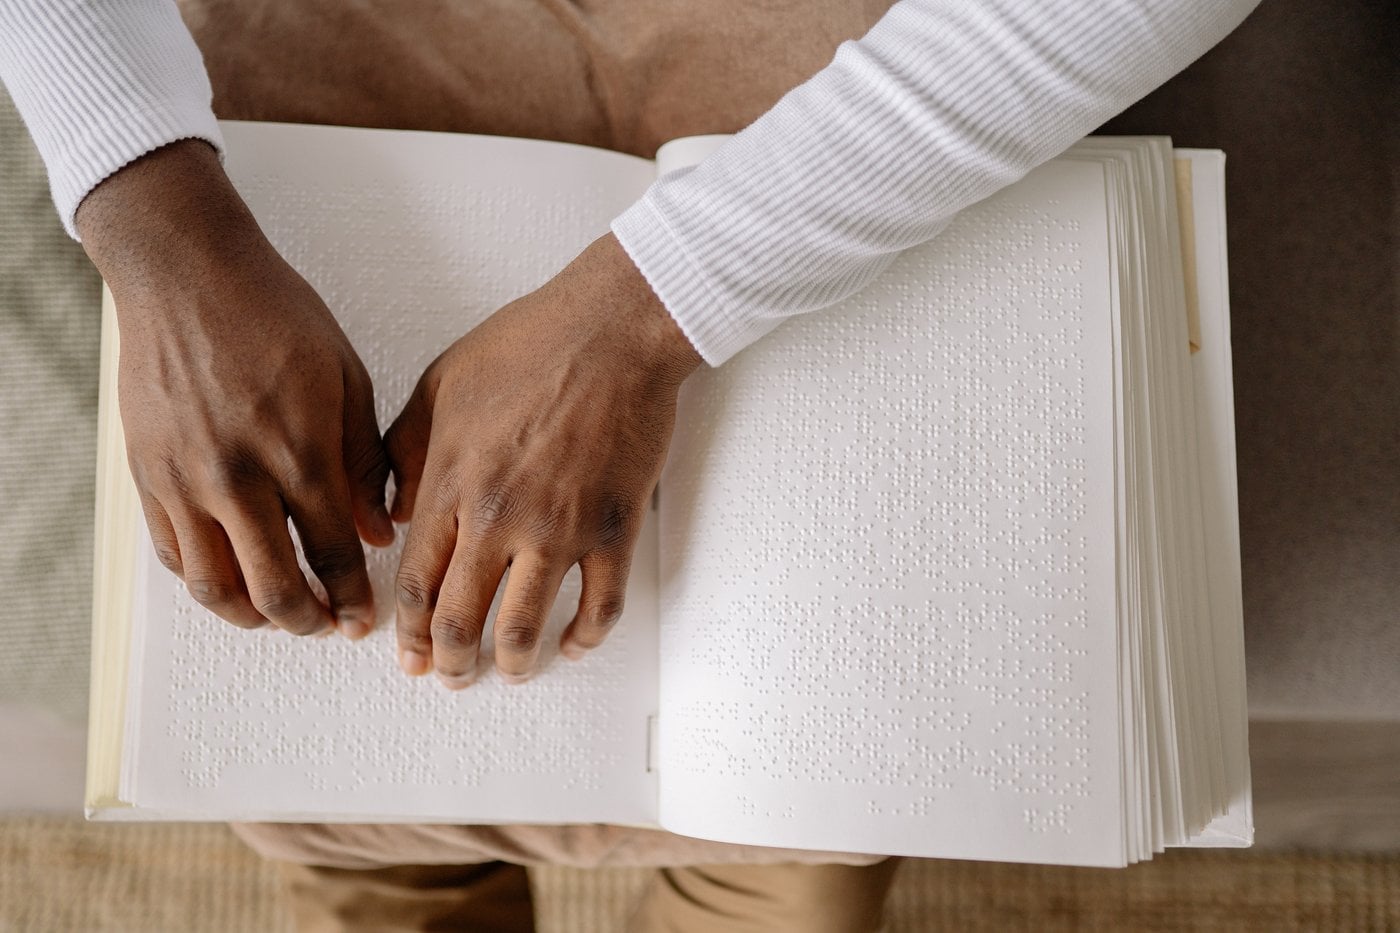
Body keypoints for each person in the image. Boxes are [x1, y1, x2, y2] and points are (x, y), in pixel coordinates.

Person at [0, 0, 1260, 928]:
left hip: (858, 74)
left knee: (803, 803)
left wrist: (650, 307)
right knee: (336, 783)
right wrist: (156, 211)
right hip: (318, 69)